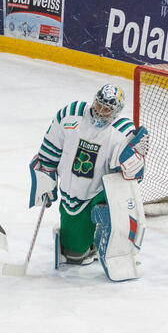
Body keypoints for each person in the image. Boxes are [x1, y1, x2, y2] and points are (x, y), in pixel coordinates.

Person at [28, 85, 149, 268]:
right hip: (74, 191)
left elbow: (131, 180)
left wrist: (135, 163)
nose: (100, 111)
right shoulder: (71, 114)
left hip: (101, 191)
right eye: (98, 105)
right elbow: (50, 150)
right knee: (74, 255)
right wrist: (46, 179)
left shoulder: (122, 132)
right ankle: (86, 241)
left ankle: (110, 241)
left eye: (106, 109)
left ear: (116, 111)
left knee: (111, 210)